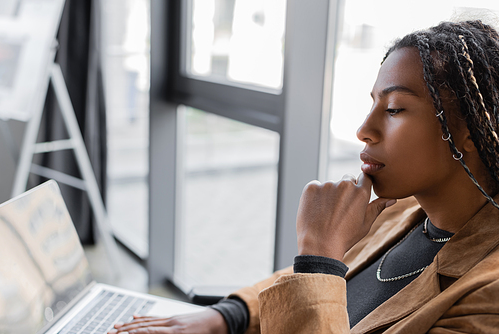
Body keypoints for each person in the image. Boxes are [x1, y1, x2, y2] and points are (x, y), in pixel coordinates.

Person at [108, 19, 499, 334]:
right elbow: (305, 289)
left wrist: (320, 253)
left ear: (468, 129)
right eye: (372, 105)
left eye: (394, 109)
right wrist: (226, 316)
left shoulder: (489, 296)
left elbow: (318, 282)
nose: (364, 129)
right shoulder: (404, 213)